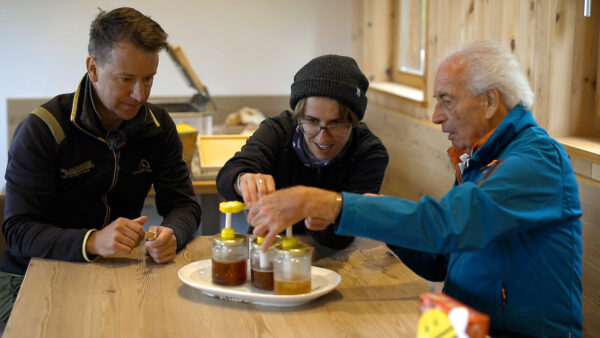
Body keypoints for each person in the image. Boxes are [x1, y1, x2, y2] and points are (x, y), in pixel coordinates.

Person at [248, 40, 582, 336]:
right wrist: (373, 209)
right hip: (460, 324)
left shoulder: (537, 161)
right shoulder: (478, 156)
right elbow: (440, 261)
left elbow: (450, 225)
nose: (437, 116)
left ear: (490, 102)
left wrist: (331, 203)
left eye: (446, 101)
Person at [0, 7, 201, 323]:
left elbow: (184, 205)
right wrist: (91, 241)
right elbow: (18, 231)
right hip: (29, 274)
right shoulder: (43, 129)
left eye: (149, 79)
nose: (140, 94)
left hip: (117, 271)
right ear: (93, 68)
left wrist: (173, 233)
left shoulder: (159, 126)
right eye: (126, 79)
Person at [216, 54, 388, 249]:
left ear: (354, 122)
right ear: (298, 117)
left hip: (331, 259)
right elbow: (228, 175)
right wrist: (242, 180)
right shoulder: (279, 130)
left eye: (336, 123)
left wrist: (325, 223)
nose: (322, 138)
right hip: (268, 250)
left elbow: (344, 236)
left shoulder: (369, 153)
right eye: (312, 121)